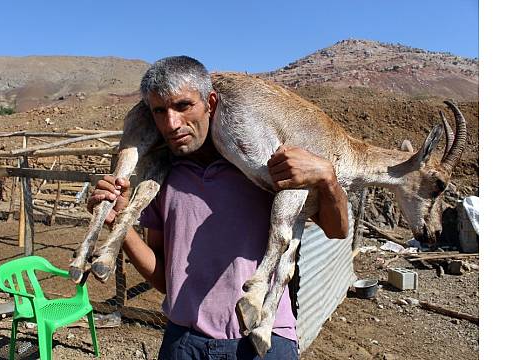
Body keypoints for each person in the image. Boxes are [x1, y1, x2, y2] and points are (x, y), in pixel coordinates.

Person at [87, 56, 349, 359]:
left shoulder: (262, 166)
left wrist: (328, 178)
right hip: (184, 342)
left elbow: (336, 228)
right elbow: (163, 280)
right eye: (160, 111)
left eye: (184, 106)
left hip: (263, 341)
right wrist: (120, 225)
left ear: (210, 102)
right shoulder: (164, 179)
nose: (172, 124)